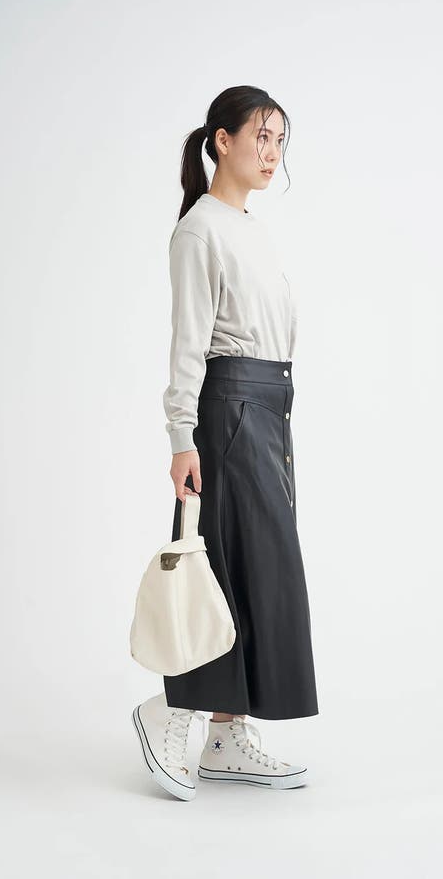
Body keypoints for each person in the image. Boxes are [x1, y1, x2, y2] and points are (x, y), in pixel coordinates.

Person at [131, 86, 318, 800]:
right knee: (221, 568)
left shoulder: (250, 229)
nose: (272, 154)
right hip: (228, 411)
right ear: (222, 140)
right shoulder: (200, 230)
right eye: (261, 137)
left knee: (261, 572)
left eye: (280, 142)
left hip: (268, 408)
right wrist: (182, 434)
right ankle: (170, 711)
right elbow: (188, 340)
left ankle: (225, 733)